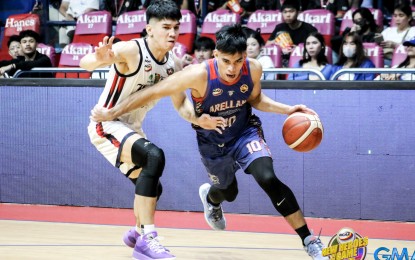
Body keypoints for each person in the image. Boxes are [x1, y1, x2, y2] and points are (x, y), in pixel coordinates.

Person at [90, 23, 330, 260]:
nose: (232, 68)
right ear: (216, 55)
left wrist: (288, 110)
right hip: (212, 144)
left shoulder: (254, 69)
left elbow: (256, 100)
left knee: (267, 178)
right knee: (229, 192)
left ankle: (309, 240)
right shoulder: (198, 74)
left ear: (245, 56)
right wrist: (112, 113)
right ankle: (211, 198)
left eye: (238, 61)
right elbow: (154, 92)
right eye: (226, 61)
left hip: (245, 132)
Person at [79, 1, 222, 259]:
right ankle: (148, 239)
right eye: (166, 27)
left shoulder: (173, 64)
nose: (172, 33)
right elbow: (85, 63)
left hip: (131, 129)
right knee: (154, 156)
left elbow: (181, 105)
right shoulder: (131, 50)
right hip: (106, 125)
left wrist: (199, 120)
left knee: (154, 189)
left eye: (176, 28)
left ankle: (135, 233)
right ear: (149, 29)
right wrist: (97, 59)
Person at [266, 0, 317, 67]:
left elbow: (317, 48)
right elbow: (267, 46)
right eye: (285, 12)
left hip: (302, 60)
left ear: (298, 12)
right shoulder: (279, 27)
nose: (288, 15)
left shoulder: (309, 29)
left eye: (291, 11)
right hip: (282, 61)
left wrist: (299, 49)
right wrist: (275, 42)